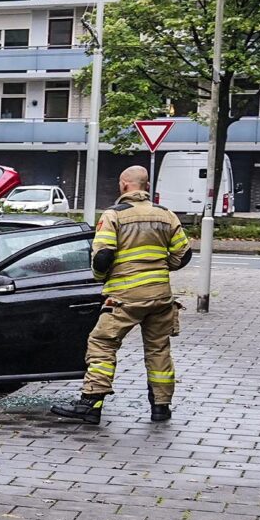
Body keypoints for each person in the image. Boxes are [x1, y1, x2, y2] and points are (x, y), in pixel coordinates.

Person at [53, 163, 192, 426]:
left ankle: (91, 403)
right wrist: (161, 267)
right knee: (159, 349)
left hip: (124, 297)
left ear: (123, 185)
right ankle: (161, 407)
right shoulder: (166, 215)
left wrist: (100, 277)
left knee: (102, 343)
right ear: (147, 186)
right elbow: (183, 254)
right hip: (160, 296)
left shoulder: (114, 215)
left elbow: (103, 255)